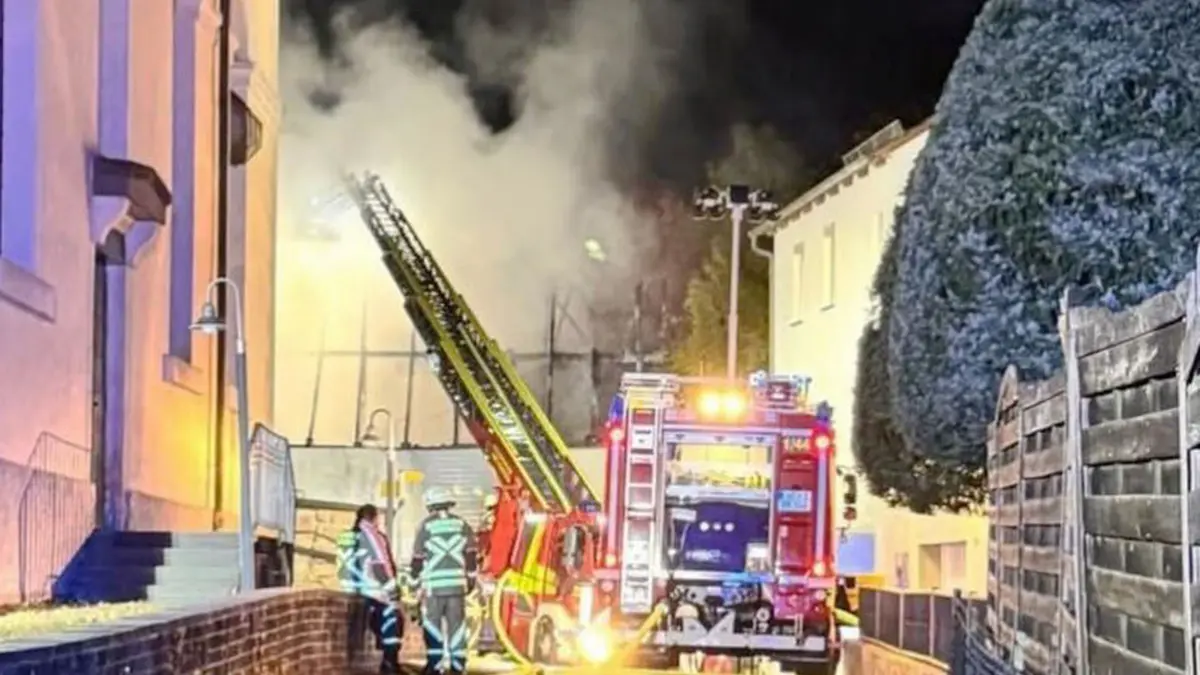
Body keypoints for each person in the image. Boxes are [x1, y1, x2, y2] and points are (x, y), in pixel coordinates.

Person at [411, 486, 478, 675]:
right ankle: (458, 667)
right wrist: (471, 580)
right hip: (457, 587)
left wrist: (413, 583)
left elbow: (417, 558)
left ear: (429, 505)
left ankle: (435, 665)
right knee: (457, 628)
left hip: (434, 588)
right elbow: (471, 555)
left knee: (433, 627)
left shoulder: (425, 526)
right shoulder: (462, 525)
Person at [337, 503, 403, 674]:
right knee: (392, 624)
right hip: (375, 592)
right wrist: (392, 589)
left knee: (356, 633)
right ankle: (389, 664)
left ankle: (351, 666)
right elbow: (379, 564)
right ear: (374, 518)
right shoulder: (374, 536)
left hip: (349, 592)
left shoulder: (345, 537)